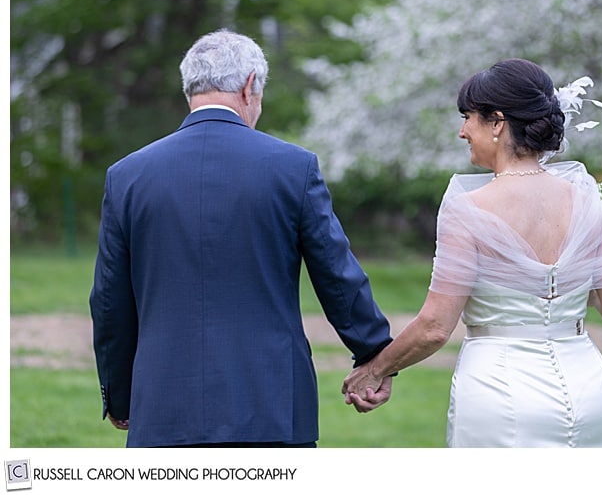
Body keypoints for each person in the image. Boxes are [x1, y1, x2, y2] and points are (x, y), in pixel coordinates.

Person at [90, 29, 394, 447]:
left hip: (163, 406)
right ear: (251, 86)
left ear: (190, 89)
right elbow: (337, 277)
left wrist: (121, 396)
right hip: (271, 406)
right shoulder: (293, 168)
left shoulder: (127, 176)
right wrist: (375, 356)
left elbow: (109, 300)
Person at [342, 58, 602, 447]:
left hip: (502, 392)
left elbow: (434, 328)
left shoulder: (468, 209)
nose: (462, 131)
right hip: (589, 390)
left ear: (497, 122)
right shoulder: (587, 202)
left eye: (468, 117)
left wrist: (375, 369)